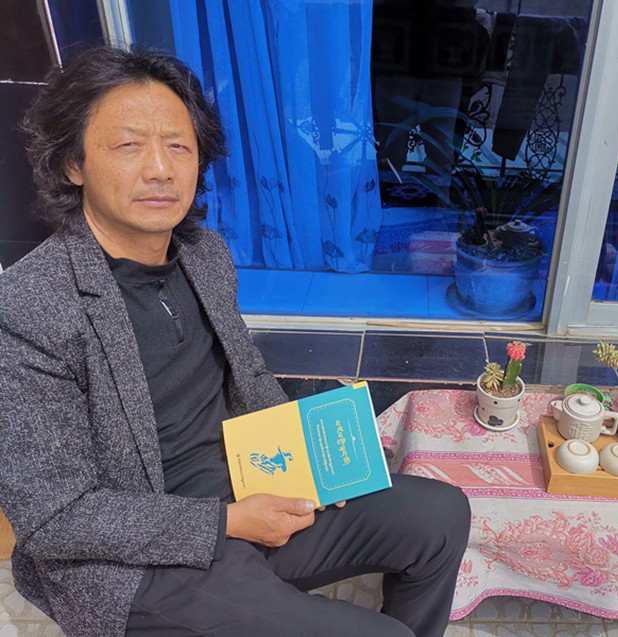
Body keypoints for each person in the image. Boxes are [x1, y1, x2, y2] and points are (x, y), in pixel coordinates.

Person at [0, 45, 470, 637]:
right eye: (128, 145)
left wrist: (312, 462)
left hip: (248, 480)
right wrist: (228, 522)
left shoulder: (203, 254)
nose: (160, 169)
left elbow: (246, 375)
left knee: (439, 515)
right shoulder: (28, 307)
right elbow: (55, 518)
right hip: (142, 559)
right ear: (73, 164)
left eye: (178, 146)